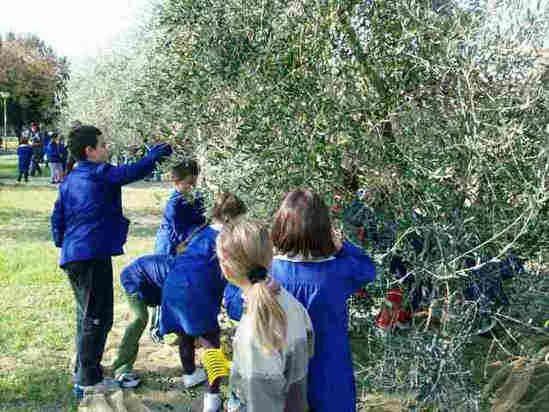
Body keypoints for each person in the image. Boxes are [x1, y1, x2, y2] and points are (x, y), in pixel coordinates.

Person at [223, 189, 376, 412]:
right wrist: (342, 247)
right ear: (325, 231)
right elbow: (368, 270)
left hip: (280, 374)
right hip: (329, 375)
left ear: (280, 227)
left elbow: (235, 307)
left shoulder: (268, 274)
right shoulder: (338, 272)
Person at [50, 125, 172, 400]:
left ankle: (85, 367)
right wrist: (155, 155)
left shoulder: (70, 178)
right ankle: (88, 380)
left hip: (77, 255)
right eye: (103, 145)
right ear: (89, 151)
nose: (107, 149)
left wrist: (64, 243)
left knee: (86, 314)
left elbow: (56, 217)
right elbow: (130, 173)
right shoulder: (99, 172)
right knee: (98, 317)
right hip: (91, 255)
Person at [160, 192, 246, 412]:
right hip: (195, 292)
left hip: (173, 286)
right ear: (228, 218)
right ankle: (213, 397)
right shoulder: (225, 240)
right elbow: (233, 274)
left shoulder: (201, 232)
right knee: (211, 344)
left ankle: (189, 374)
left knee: (185, 334)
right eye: (239, 220)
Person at [217, 219, 314, 412]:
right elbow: (309, 348)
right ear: (270, 258)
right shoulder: (292, 303)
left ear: (226, 270)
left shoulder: (253, 332)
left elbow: (259, 403)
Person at [154, 160, 206, 255]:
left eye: (195, 183)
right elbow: (181, 233)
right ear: (176, 182)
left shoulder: (198, 198)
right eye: (189, 183)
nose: (193, 187)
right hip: (170, 247)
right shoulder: (175, 205)